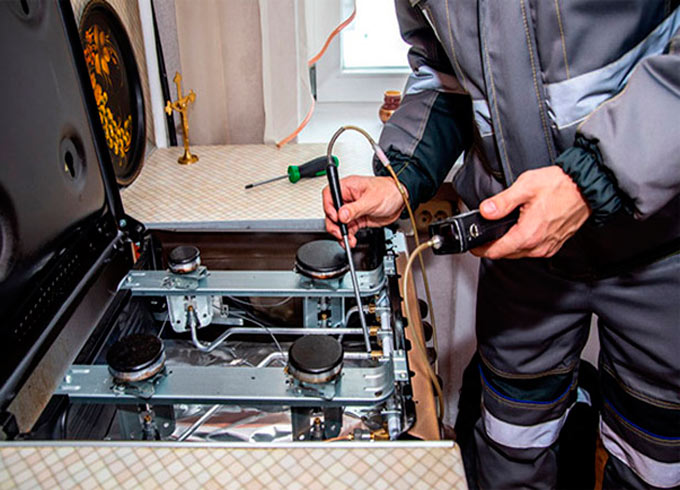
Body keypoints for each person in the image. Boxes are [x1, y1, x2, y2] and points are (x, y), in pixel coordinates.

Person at [323, 2, 680, 488]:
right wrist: (401, 175)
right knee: (510, 440)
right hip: (519, 251)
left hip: (661, 238)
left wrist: (594, 177)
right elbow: (442, 75)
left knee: (656, 460)